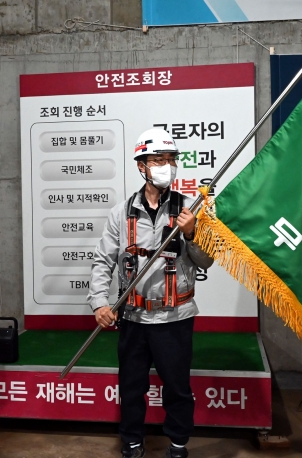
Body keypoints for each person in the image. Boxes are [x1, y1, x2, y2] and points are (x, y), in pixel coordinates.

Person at [88, 128, 214, 458]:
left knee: (177, 388)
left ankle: (177, 444)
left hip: (175, 317)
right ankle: (132, 442)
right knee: (131, 387)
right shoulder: (121, 212)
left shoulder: (191, 209)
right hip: (133, 317)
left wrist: (192, 234)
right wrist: (100, 302)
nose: (166, 166)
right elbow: (103, 260)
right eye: (158, 160)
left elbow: (207, 260)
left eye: (171, 160)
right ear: (142, 166)